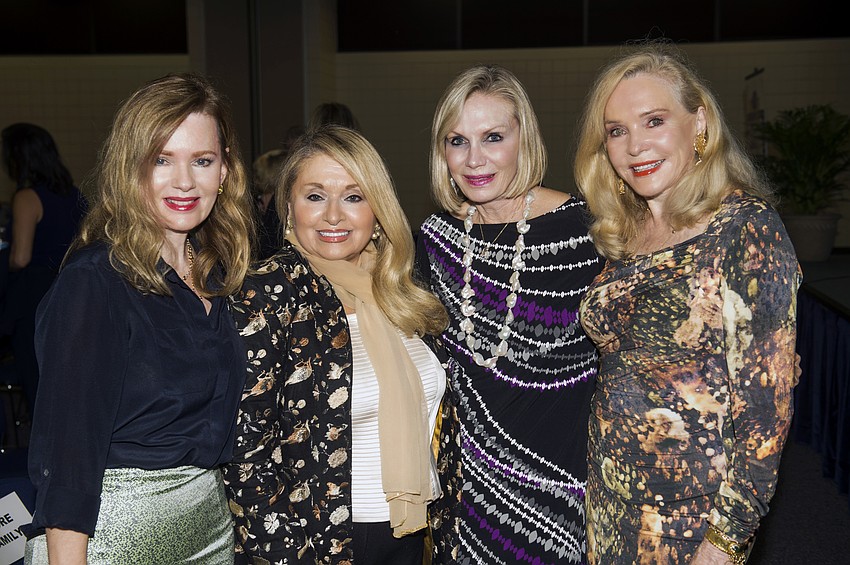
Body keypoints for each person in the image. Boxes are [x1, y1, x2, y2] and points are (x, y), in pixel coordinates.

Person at [574, 43, 801, 564]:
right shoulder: (622, 234)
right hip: (609, 504)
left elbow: (765, 419)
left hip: (691, 522)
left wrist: (722, 544)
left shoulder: (746, 230)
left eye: (653, 120)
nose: (635, 146)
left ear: (698, 123)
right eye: (616, 130)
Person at [23, 72, 254, 564]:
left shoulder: (217, 276)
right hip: (114, 540)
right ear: (131, 168)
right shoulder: (96, 282)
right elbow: (67, 457)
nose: (185, 182)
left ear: (225, 171)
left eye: (202, 160)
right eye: (161, 160)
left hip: (210, 534)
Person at [223, 125, 461, 564]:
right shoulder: (269, 295)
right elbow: (243, 452)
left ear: (377, 209)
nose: (333, 215)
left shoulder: (401, 289)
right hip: (319, 541)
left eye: (353, 196)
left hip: (412, 533)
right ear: (288, 207)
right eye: (315, 196)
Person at [415, 64, 603, 564]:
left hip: (564, 486)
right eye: (457, 141)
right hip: (466, 490)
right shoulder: (435, 241)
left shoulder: (591, 234)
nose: (474, 159)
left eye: (493, 137)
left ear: (525, 139)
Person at [0, 123, 87, 415]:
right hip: (73, 295)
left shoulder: (27, 197)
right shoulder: (75, 195)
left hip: (34, 299)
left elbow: (21, 258)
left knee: (37, 385)